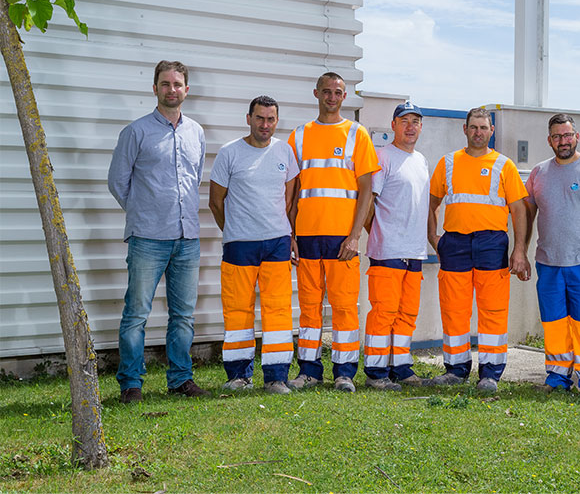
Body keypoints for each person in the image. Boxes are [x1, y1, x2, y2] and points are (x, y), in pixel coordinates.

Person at [108, 60, 209, 403]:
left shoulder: (196, 132)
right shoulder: (135, 132)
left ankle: (180, 379)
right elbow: (117, 182)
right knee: (136, 313)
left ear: (186, 90)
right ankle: (131, 384)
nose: (171, 89)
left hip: (187, 238)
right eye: (165, 84)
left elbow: (194, 179)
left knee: (183, 315)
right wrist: (143, 211)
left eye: (177, 84)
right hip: (147, 238)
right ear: (155, 88)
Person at [286, 73, 379, 392]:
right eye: (326, 91)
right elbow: (293, 190)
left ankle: (344, 372)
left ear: (344, 96)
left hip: (342, 238)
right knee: (309, 309)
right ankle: (309, 371)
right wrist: (291, 235)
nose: (331, 97)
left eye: (337, 92)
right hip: (307, 235)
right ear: (316, 93)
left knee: (343, 307)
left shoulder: (357, 134)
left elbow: (366, 189)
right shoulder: (298, 136)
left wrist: (355, 236)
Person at [427, 107, 530, 392]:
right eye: (473, 127)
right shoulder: (448, 163)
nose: (478, 132)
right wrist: (434, 239)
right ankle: (456, 369)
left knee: (493, 310)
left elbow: (519, 209)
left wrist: (519, 250)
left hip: (491, 243)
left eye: (483, 128)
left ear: (491, 131)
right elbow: (431, 203)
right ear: (465, 129)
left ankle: (491, 373)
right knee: (454, 310)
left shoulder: (504, 165)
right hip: (455, 243)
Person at [523, 114, 580, 399]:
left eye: (567, 135)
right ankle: (557, 376)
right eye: (557, 136)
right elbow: (527, 214)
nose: (563, 141)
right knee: (554, 323)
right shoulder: (539, 173)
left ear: (577, 137)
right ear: (549, 140)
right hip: (548, 263)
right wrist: (521, 251)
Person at [208, 96, 298, 395]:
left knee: (278, 310)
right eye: (260, 118)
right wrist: (234, 229)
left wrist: (288, 234)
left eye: (271, 119)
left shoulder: (285, 151)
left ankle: (276, 377)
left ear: (276, 121)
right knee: (237, 310)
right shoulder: (229, 153)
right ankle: (239, 376)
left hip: (277, 242)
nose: (265, 125)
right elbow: (215, 201)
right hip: (239, 244)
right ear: (248, 118)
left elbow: (289, 200)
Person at [362, 102, 431, 391]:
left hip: (414, 252)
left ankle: (400, 366)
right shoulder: (382, 157)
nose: (410, 126)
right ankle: (376, 372)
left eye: (416, 121)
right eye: (405, 120)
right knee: (383, 313)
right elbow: (367, 202)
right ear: (393, 125)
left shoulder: (422, 160)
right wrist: (378, 232)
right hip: (388, 251)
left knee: (406, 314)